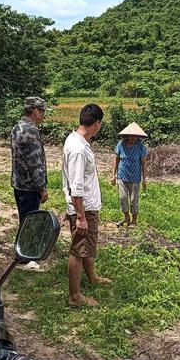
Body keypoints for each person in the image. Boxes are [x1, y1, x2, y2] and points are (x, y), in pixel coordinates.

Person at [62, 104, 111, 307]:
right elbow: (76, 186)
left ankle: (92, 276)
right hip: (84, 209)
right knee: (78, 250)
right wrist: (80, 217)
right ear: (97, 123)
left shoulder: (78, 140)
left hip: (87, 207)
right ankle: (75, 297)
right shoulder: (78, 149)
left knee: (87, 245)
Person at [11, 96, 48, 221]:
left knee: (24, 221)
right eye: (42, 111)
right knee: (29, 225)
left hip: (19, 184)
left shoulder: (17, 127)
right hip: (30, 188)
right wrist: (42, 188)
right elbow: (35, 163)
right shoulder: (31, 131)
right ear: (35, 111)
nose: (43, 115)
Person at [111, 122, 149, 227]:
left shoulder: (141, 147)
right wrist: (113, 175)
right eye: (131, 135)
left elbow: (144, 163)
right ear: (127, 135)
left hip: (135, 178)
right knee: (123, 198)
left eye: (135, 136)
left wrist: (144, 178)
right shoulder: (121, 145)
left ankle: (134, 221)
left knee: (133, 200)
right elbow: (116, 160)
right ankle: (127, 218)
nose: (133, 137)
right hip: (122, 176)